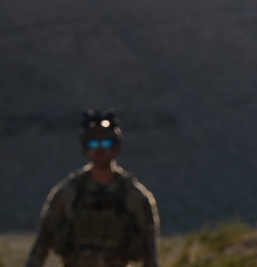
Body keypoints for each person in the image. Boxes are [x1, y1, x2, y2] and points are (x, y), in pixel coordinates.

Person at [24, 109, 159, 267]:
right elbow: (41, 245)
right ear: (84, 148)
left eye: (106, 142)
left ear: (116, 147)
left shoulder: (136, 198)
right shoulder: (66, 194)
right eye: (92, 143)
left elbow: (150, 255)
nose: (99, 149)